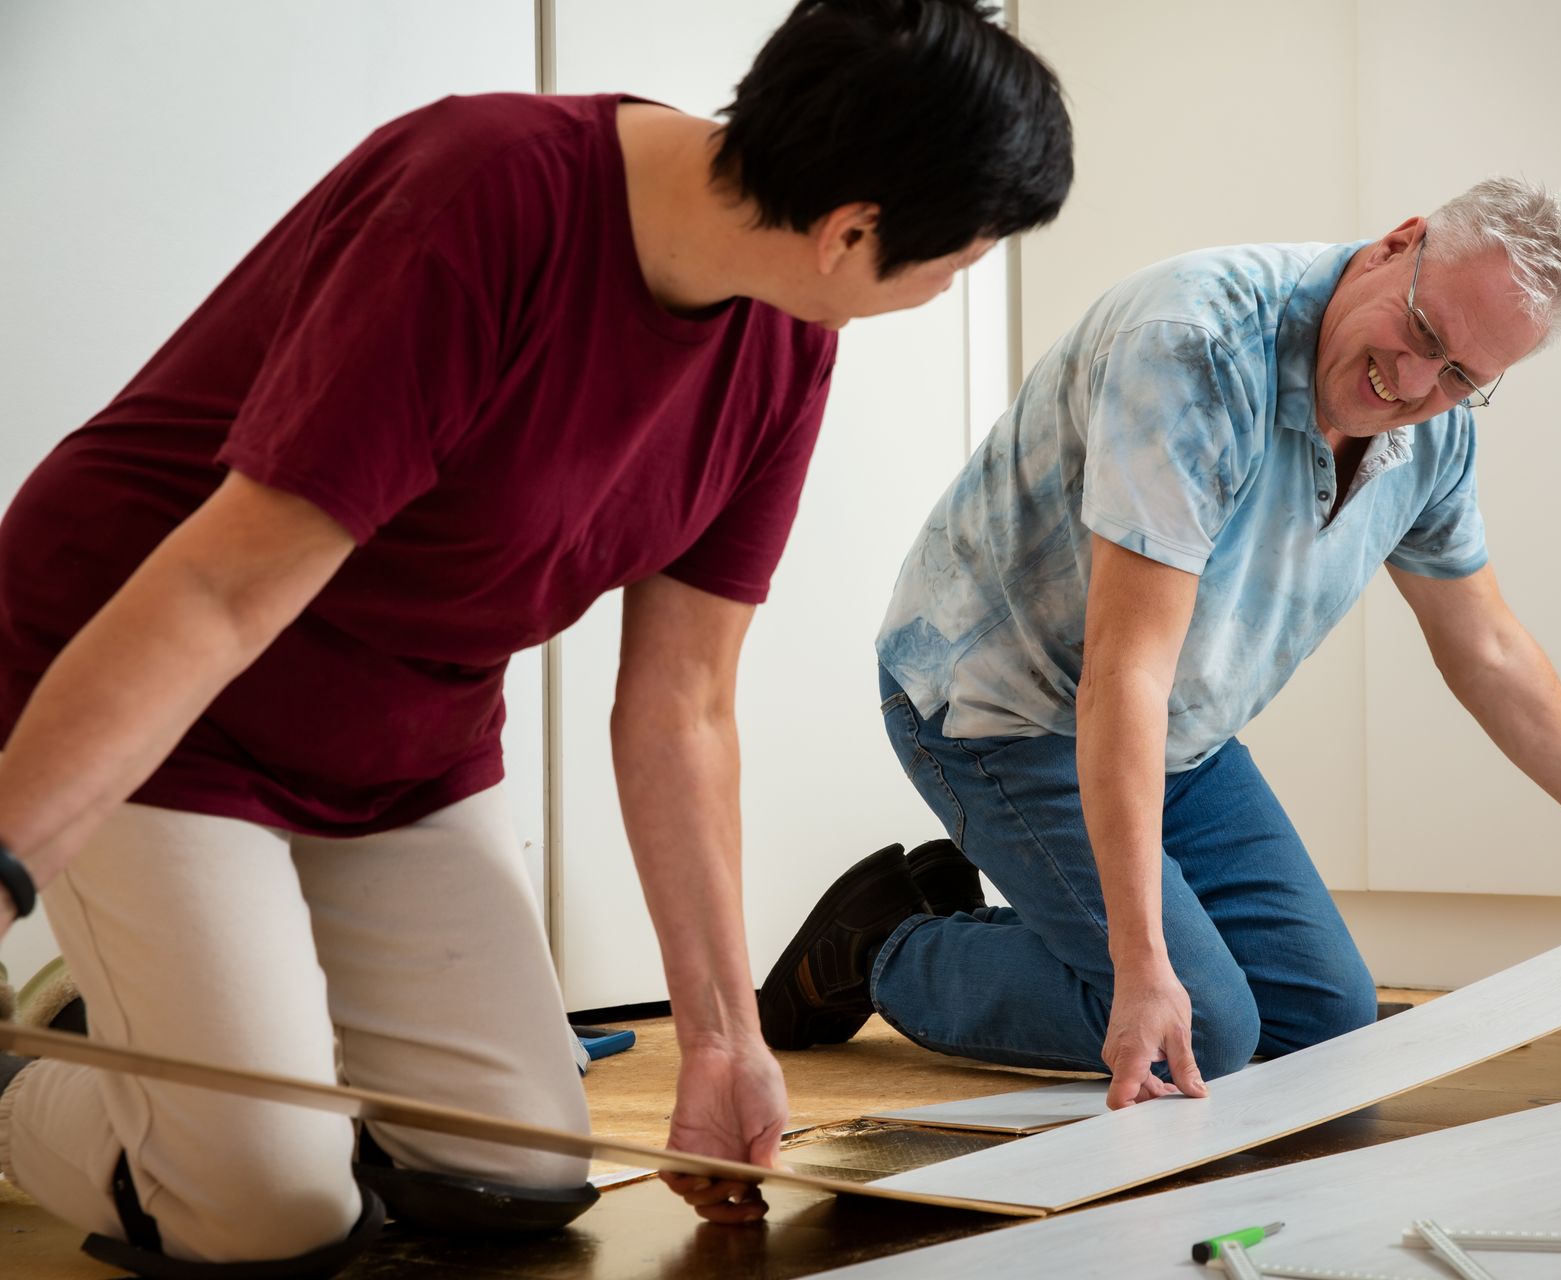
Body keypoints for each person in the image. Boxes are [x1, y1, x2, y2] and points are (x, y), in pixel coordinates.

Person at [0, 1, 1071, 1273]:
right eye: (957, 259)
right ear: (851, 233)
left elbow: (683, 702)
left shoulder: (788, 332)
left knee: (509, 1177)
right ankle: (44, 1070)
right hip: (158, 683)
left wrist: (725, 1033)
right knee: (269, 1209)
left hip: (404, 730)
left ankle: (182, 1026)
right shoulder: (483, 197)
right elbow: (219, 598)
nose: (954, 284)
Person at [760, 177, 1561, 1115]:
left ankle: (1095, 949)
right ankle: (886, 944)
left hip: (1178, 731)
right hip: (998, 708)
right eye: (1420, 331)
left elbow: (1485, 645)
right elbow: (1125, 668)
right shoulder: (1192, 348)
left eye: (1460, 375)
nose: (1412, 381)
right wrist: (1145, 967)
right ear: (1395, 245)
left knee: (1328, 1023)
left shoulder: (1435, 434)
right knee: (1213, 1025)